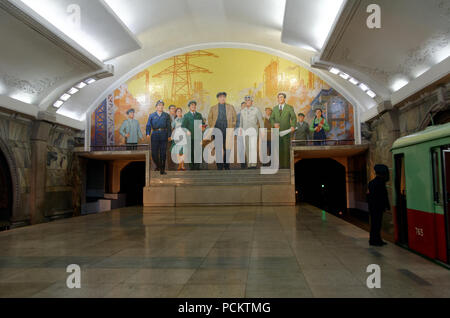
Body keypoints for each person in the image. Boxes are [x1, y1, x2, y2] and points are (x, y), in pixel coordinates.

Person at [207, 92, 237, 170]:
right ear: (218, 98)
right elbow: (209, 119)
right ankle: (219, 166)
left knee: (227, 149)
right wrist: (213, 128)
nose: (222, 98)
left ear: (225, 98)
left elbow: (235, 118)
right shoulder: (213, 108)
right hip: (217, 130)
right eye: (220, 97)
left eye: (224, 97)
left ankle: (226, 165)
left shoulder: (231, 107)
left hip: (227, 130)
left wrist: (232, 126)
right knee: (218, 149)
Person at [269, 93, 296, 169]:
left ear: (284, 99)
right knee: (278, 149)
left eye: (281, 97)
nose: (280, 99)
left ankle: (286, 166)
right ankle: (280, 166)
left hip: (286, 132)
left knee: (286, 149)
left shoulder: (289, 107)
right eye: (278, 97)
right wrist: (274, 124)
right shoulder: (274, 108)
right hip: (277, 132)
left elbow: (293, 118)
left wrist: (293, 126)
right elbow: (271, 118)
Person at [367, 164, 390, 246]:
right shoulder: (381, 183)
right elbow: (384, 196)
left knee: (374, 224)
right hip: (378, 207)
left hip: (373, 207)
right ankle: (375, 240)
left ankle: (374, 239)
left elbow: (370, 196)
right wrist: (387, 206)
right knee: (377, 224)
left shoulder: (371, 183)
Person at [146, 100, 171, 175]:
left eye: (162, 105)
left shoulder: (166, 115)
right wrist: (148, 133)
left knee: (163, 153)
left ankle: (162, 170)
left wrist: (169, 135)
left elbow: (169, 126)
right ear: (156, 107)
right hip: (155, 135)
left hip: (164, 134)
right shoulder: (152, 115)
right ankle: (159, 166)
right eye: (159, 105)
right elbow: (148, 125)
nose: (160, 106)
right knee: (154, 154)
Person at [240, 96, 264, 169]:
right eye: (246, 101)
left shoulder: (256, 110)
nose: (247, 102)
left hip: (254, 131)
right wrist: (240, 130)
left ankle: (253, 164)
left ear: (252, 102)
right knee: (247, 148)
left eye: (249, 101)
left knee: (253, 147)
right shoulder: (242, 111)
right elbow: (241, 122)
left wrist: (262, 131)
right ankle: (249, 164)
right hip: (245, 131)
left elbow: (261, 121)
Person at [182, 100, 205, 170]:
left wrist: (203, 127)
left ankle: (197, 167)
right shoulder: (186, 116)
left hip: (198, 137)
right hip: (190, 137)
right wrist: (187, 131)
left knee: (198, 152)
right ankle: (191, 167)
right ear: (189, 107)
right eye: (192, 105)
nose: (193, 106)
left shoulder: (199, 115)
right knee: (190, 152)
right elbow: (183, 127)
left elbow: (203, 124)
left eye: (194, 105)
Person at [167, 105, 177, 171]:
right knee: (169, 152)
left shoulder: (177, 116)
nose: (173, 110)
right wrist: (169, 136)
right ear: (169, 110)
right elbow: (166, 127)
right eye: (171, 108)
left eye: (174, 109)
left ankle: (174, 167)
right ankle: (170, 167)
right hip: (169, 137)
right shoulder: (166, 117)